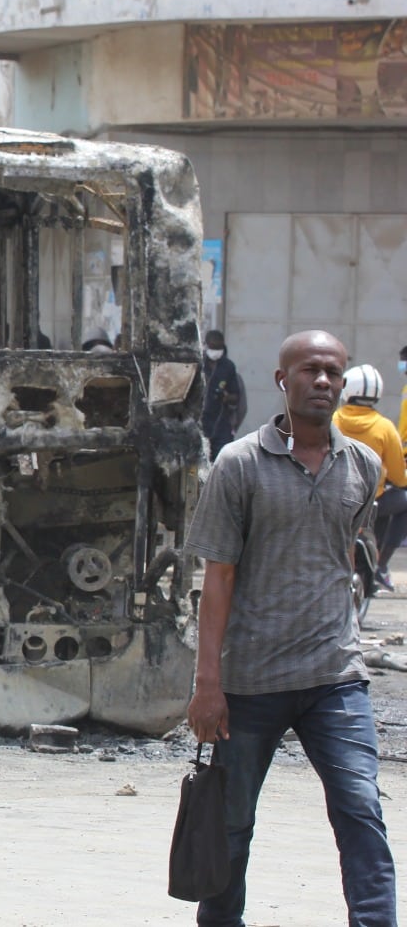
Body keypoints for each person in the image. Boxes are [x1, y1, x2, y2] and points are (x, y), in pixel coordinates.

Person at [184, 329, 396, 927]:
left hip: (335, 675)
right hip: (251, 681)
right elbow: (218, 577)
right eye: (309, 370)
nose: (322, 381)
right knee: (231, 823)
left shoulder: (364, 464)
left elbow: (346, 555)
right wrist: (208, 683)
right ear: (283, 380)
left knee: (361, 810)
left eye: (333, 371)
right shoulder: (239, 464)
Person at [336, 363, 407, 591]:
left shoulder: (332, 421)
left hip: (334, 499)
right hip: (372, 501)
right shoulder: (384, 427)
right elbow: (399, 476)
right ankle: (382, 565)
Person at [202, 329, 245, 459]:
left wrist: (226, 397)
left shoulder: (228, 367)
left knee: (221, 460)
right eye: (213, 347)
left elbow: (237, 397)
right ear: (206, 345)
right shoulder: (199, 364)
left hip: (221, 424)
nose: (215, 351)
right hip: (201, 423)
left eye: (218, 348)